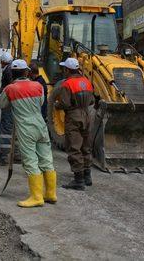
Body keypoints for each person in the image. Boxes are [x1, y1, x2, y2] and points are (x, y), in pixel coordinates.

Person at [0, 59, 56, 208]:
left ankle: (37, 197)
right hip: (41, 126)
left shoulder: (10, 89)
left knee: (30, 161)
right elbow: (41, 102)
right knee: (46, 159)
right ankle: (50, 194)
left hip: (26, 128)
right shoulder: (38, 86)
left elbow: (0, 104)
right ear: (27, 72)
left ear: (12, 73)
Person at [54, 57, 95, 191]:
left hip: (74, 117)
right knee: (85, 146)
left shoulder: (67, 84)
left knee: (74, 147)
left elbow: (65, 103)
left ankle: (79, 180)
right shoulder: (87, 82)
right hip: (87, 116)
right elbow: (91, 101)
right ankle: (87, 176)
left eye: (64, 68)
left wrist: (56, 105)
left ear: (67, 69)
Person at [0, 51, 14, 165]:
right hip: (11, 103)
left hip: (8, 104)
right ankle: (14, 154)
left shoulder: (8, 71)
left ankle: (5, 156)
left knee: (5, 128)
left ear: (3, 62)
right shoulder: (10, 69)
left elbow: (9, 88)